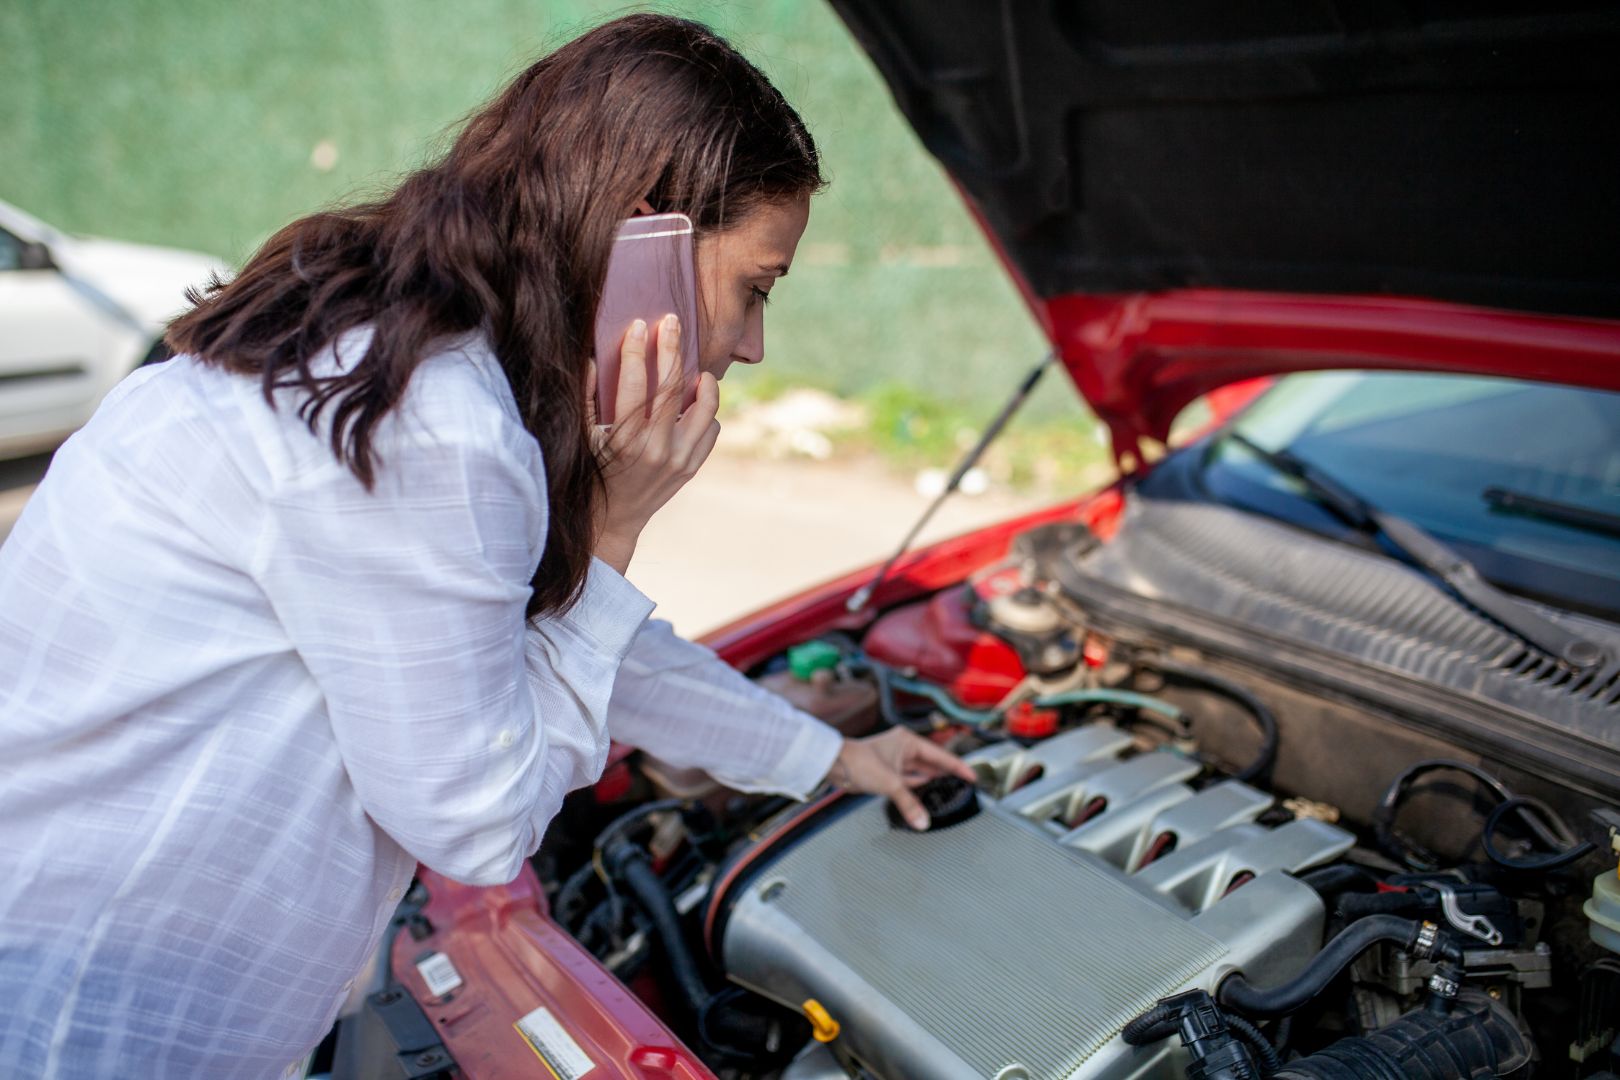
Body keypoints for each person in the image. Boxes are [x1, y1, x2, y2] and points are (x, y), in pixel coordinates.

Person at [0, 14, 974, 1078]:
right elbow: (477, 828)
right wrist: (615, 532)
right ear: (637, 243)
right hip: (82, 1022)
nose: (750, 344)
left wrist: (830, 755)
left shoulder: (411, 351)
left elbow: (558, 634)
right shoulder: (432, 420)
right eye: (756, 286)